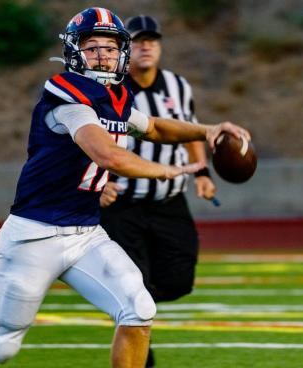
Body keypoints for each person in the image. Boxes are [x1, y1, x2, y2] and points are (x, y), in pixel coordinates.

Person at [0, 7, 250, 368]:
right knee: (2, 347)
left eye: (110, 47)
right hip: (34, 235)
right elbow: (108, 155)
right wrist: (164, 171)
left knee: (139, 309)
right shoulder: (66, 98)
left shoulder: (116, 97)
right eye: (92, 46)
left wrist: (207, 130)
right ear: (73, 52)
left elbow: (155, 127)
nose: (102, 55)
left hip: (85, 234)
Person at [99, 15, 216, 368]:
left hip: (169, 201)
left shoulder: (178, 85)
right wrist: (99, 182)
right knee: (132, 291)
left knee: (180, 279)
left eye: (152, 40)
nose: (146, 46)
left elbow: (190, 130)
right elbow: (89, 140)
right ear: (124, 49)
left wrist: (202, 172)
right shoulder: (108, 89)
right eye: (138, 40)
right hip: (123, 204)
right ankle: (136, 336)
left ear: (160, 46)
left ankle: (133, 306)